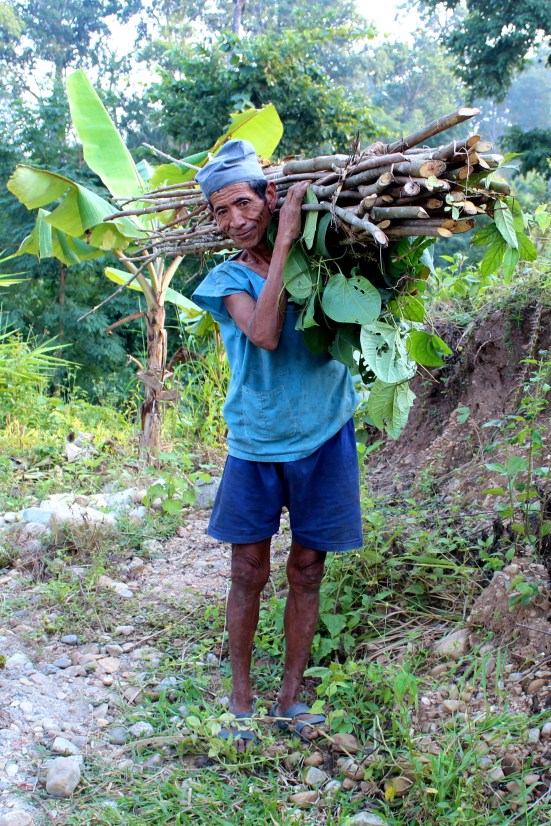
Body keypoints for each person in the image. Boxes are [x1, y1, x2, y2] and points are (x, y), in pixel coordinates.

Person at [192, 139, 363, 748]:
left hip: (325, 432)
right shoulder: (225, 277)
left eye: (243, 203)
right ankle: (240, 700)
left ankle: (289, 698)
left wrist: (303, 241)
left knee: (309, 568)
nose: (235, 221)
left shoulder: (324, 256)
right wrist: (284, 237)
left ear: (269, 195)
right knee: (247, 568)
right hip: (258, 439)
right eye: (219, 211)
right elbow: (263, 333)